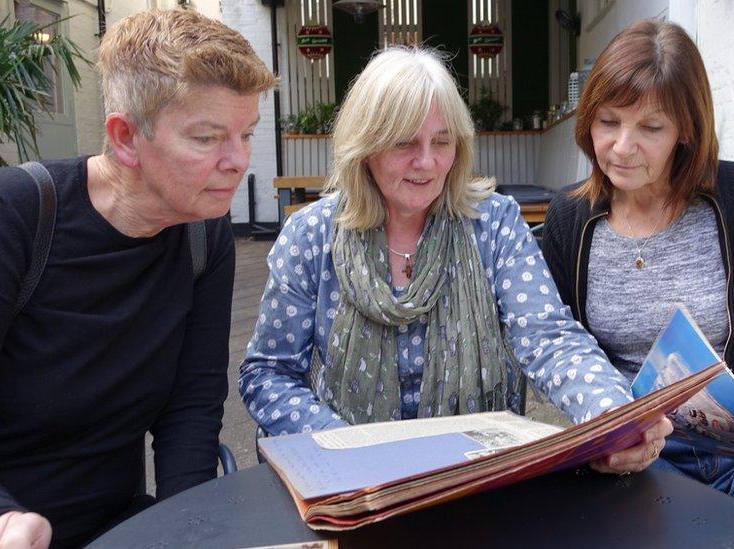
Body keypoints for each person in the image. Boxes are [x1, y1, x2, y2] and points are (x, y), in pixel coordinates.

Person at [0, 9, 277, 548]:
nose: (238, 161)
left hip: (119, 530)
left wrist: (191, 533)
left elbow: (190, 411)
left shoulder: (203, 235)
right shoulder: (7, 217)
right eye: (207, 138)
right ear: (126, 138)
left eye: (246, 134)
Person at [239, 47, 670, 476]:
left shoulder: (493, 224)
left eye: (441, 141)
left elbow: (548, 338)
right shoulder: (311, 237)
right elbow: (269, 374)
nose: (426, 162)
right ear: (365, 146)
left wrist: (613, 413)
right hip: (348, 485)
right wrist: (344, 448)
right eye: (404, 142)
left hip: (471, 479)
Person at [540, 20, 734, 545]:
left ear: (686, 130)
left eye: (651, 128)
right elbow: (554, 341)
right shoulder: (570, 219)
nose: (622, 146)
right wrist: (604, 428)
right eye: (608, 121)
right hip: (644, 453)